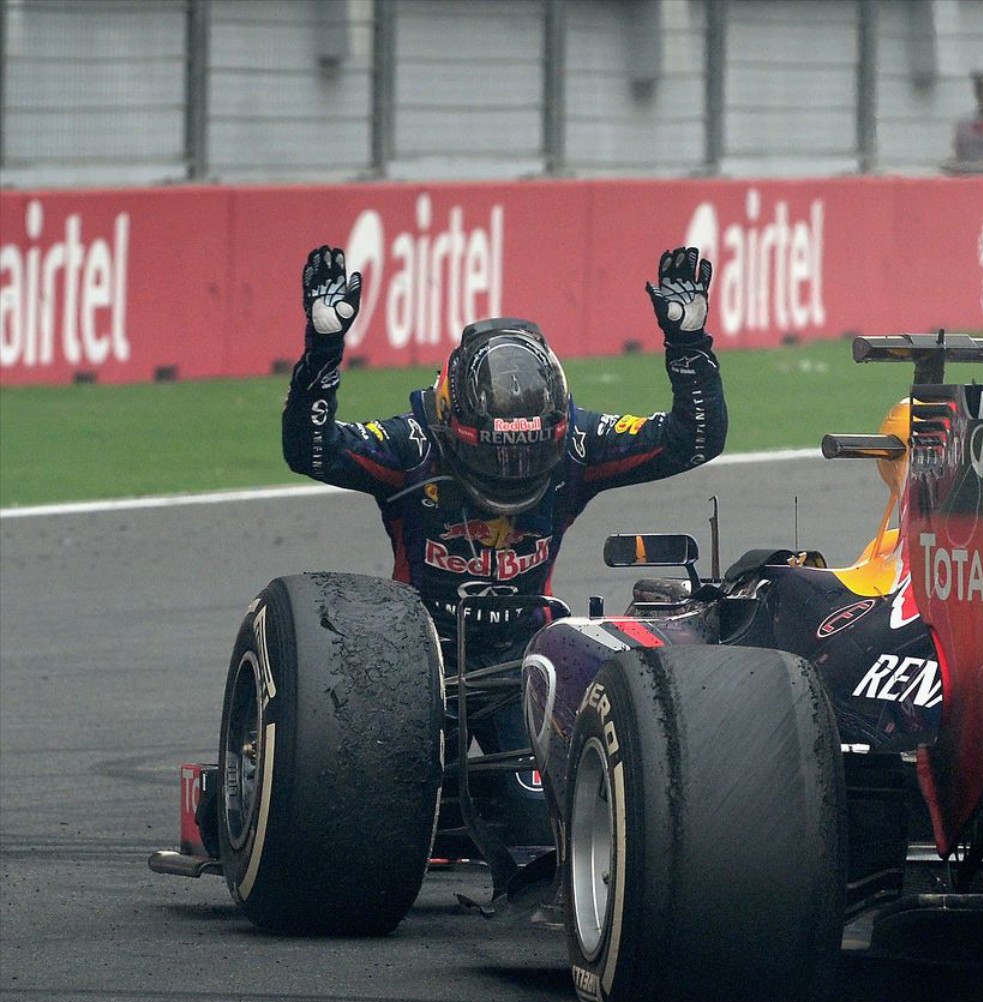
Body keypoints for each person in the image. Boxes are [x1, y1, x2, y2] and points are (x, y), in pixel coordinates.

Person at [282, 243, 724, 845]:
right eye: (496, 455)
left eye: (526, 454)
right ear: (452, 423)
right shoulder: (413, 446)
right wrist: (323, 347)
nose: (511, 470)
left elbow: (692, 441)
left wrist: (688, 343)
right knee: (382, 817)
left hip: (523, 658)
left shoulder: (579, 443)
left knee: (542, 824)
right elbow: (311, 451)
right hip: (417, 657)